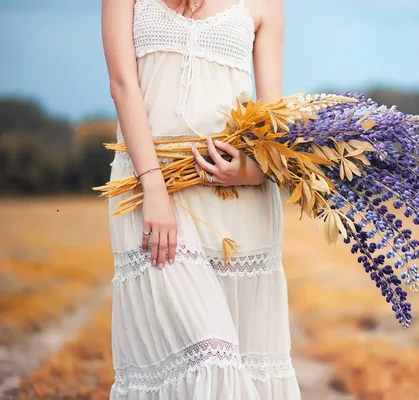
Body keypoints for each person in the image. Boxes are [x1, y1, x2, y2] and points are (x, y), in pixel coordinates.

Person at [101, 0, 301, 398]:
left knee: (240, 362)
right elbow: (123, 83)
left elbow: (271, 118)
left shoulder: (266, 4)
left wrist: (250, 170)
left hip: (237, 204)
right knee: (210, 355)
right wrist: (154, 187)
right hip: (151, 193)